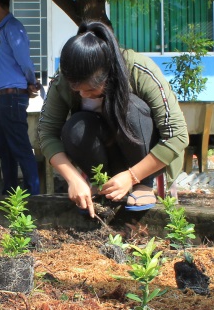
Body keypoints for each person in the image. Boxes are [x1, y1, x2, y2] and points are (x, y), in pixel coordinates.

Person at [38, 22, 189, 216]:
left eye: (91, 89)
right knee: (75, 127)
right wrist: (73, 178)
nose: (83, 95)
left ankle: (144, 185)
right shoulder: (63, 81)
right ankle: (103, 184)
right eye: (77, 90)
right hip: (105, 160)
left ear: (108, 73)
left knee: (127, 107)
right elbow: (46, 133)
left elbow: (177, 135)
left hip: (143, 157)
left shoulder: (138, 69)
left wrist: (132, 176)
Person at [0, 0, 41, 195]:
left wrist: (32, 81)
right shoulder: (5, 29)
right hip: (3, 97)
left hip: (13, 97)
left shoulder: (13, 28)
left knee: (20, 147)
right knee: (4, 148)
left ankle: (34, 196)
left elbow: (24, 60)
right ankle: (9, 193)